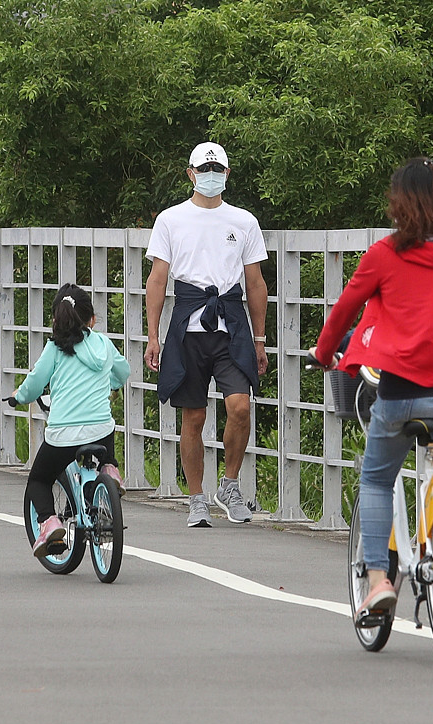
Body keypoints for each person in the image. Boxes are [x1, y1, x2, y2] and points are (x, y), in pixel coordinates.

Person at [311, 157, 433, 619]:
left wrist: (323, 352)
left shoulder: (384, 255)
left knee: (375, 478)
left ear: (399, 204)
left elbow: (345, 310)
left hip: (402, 394)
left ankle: (376, 581)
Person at [144, 141, 270, 528]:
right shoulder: (170, 219)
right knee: (193, 416)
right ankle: (196, 498)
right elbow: (158, 279)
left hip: (231, 324)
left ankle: (229, 485)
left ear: (227, 175)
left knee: (240, 407)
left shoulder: (244, 221)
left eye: (217, 170)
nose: (211, 176)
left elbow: (255, 283)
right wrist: (153, 335)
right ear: (191, 173)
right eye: (204, 169)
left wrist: (261, 339)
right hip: (187, 323)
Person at [5, 284, 131, 556]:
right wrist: (109, 382)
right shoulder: (103, 344)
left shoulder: (55, 348)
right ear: (92, 320)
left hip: (64, 436)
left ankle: (49, 523)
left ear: (56, 319)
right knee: (105, 431)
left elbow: (35, 384)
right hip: (100, 431)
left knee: (39, 480)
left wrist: (19, 397)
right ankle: (109, 469)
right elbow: (123, 372)